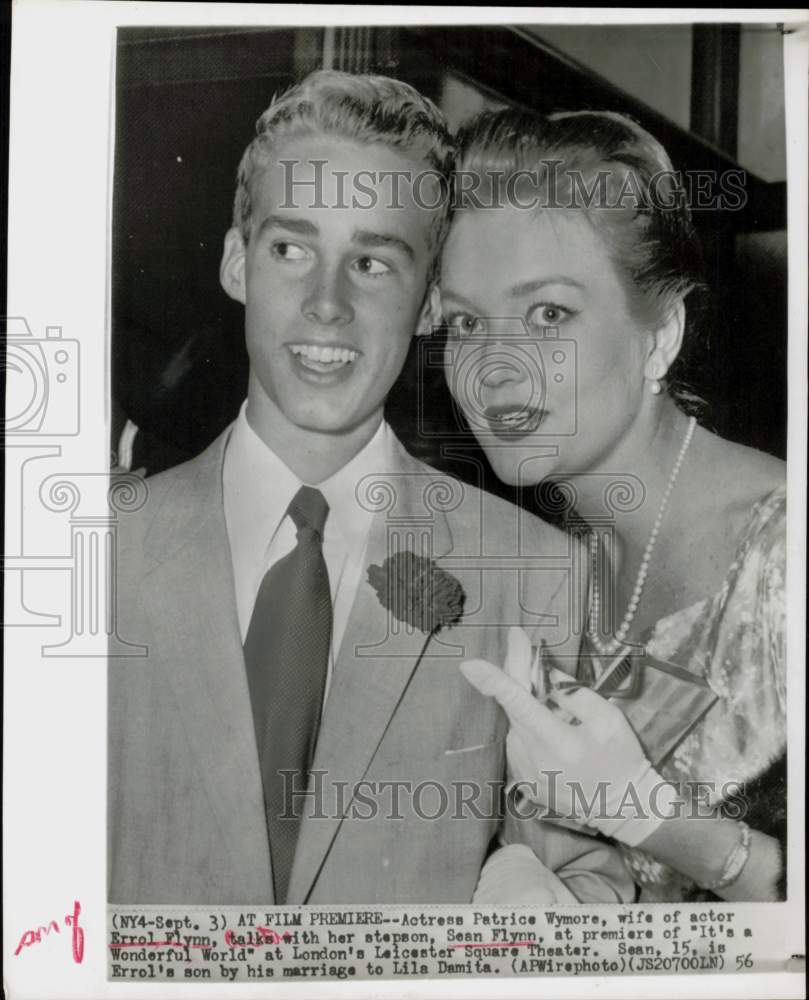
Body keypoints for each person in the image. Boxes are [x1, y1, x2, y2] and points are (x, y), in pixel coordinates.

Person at [108, 72, 635, 906]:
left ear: (428, 304)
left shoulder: (538, 575)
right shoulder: (99, 550)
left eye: (373, 262)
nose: (327, 304)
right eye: (290, 249)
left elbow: (587, 875)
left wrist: (555, 908)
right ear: (236, 262)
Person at [440, 108, 786, 902]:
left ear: (659, 334)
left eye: (547, 315)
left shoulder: (781, 557)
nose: (492, 369)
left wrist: (644, 816)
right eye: (464, 322)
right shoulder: (542, 556)